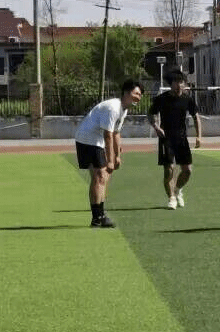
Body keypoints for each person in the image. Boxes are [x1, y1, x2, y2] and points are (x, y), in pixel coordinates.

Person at [73, 79, 144, 228]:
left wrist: (117, 156)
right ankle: (98, 217)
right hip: (88, 139)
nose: (139, 97)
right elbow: (108, 135)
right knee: (99, 176)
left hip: (97, 140)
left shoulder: (123, 109)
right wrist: (110, 160)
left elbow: (116, 133)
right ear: (126, 93)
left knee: (102, 178)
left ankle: (99, 216)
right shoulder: (113, 108)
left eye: (140, 95)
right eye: (136, 93)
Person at [148, 69, 201, 209]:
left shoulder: (187, 99)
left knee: (187, 170)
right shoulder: (162, 98)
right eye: (176, 82)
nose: (179, 85)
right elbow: (150, 113)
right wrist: (156, 127)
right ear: (171, 84)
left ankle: (177, 190)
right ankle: (171, 198)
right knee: (169, 170)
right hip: (166, 138)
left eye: (181, 82)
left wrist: (199, 136)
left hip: (182, 138)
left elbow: (196, 117)